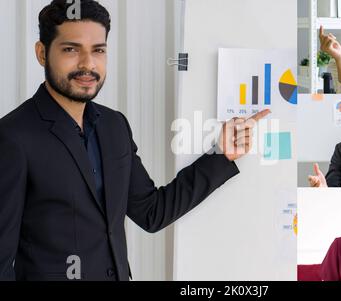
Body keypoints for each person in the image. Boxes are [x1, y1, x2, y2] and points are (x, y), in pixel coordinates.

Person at [0, 0, 270, 281]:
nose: (88, 64)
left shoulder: (114, 126)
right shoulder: (12, 137)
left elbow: (152, 212)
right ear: (42, 53)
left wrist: (220, 155)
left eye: (98, 50)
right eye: (71, 49)